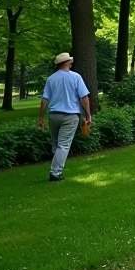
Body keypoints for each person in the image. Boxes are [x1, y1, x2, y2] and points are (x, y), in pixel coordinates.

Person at [38, 52, 92, 182]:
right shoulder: (76, 77)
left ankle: (55, 168)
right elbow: (84, 98)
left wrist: (41, 118)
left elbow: (45, 100)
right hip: (70, 116)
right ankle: (55, 173)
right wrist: (88, 115)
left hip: (54, 116)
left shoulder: (51, 79)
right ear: (68, 62)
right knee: (63, 145)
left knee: (56, 144)